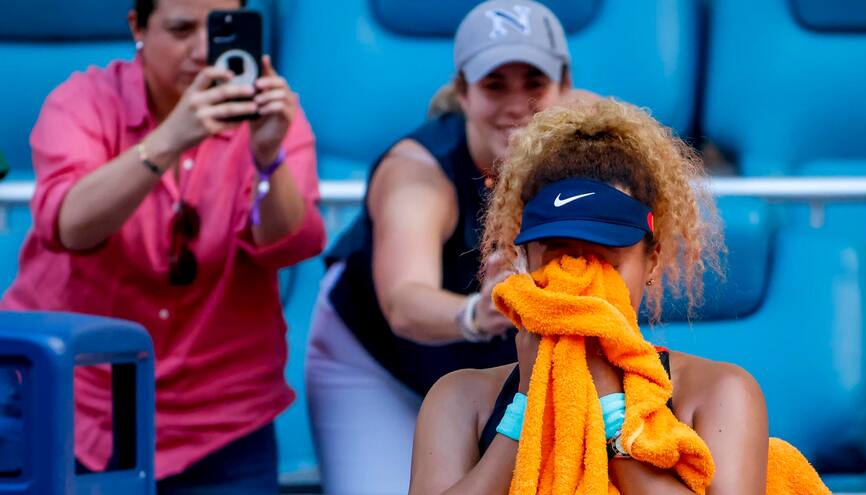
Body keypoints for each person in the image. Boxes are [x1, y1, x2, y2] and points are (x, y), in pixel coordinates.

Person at [0, 0, 325, 493]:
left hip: (222, 418)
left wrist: (267, 159)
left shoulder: (274, 115)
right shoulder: (82, 100)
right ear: (138, 27)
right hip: (75, 404)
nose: (200, 50)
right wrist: (168, 140)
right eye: (180, 29)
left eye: (215, 28)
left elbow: (287, 244)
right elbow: (69, 225)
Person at [409, 99, 775, 494]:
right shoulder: (458, 399)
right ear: (525, 260)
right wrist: (526, 406)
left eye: (604, 261)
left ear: (651, 261)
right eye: (559, 256)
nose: (581, 280)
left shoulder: (721, 392)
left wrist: (609, 403)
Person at [305, 1, 584, 492]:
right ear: (463, 92)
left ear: (565, 86)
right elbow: (405, 303)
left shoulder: (599, 144)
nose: (517, 104)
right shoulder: (418, 174)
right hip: (378, 366)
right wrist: (480, 312)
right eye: (495, 85)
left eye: (534, 84)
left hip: (503, 371)